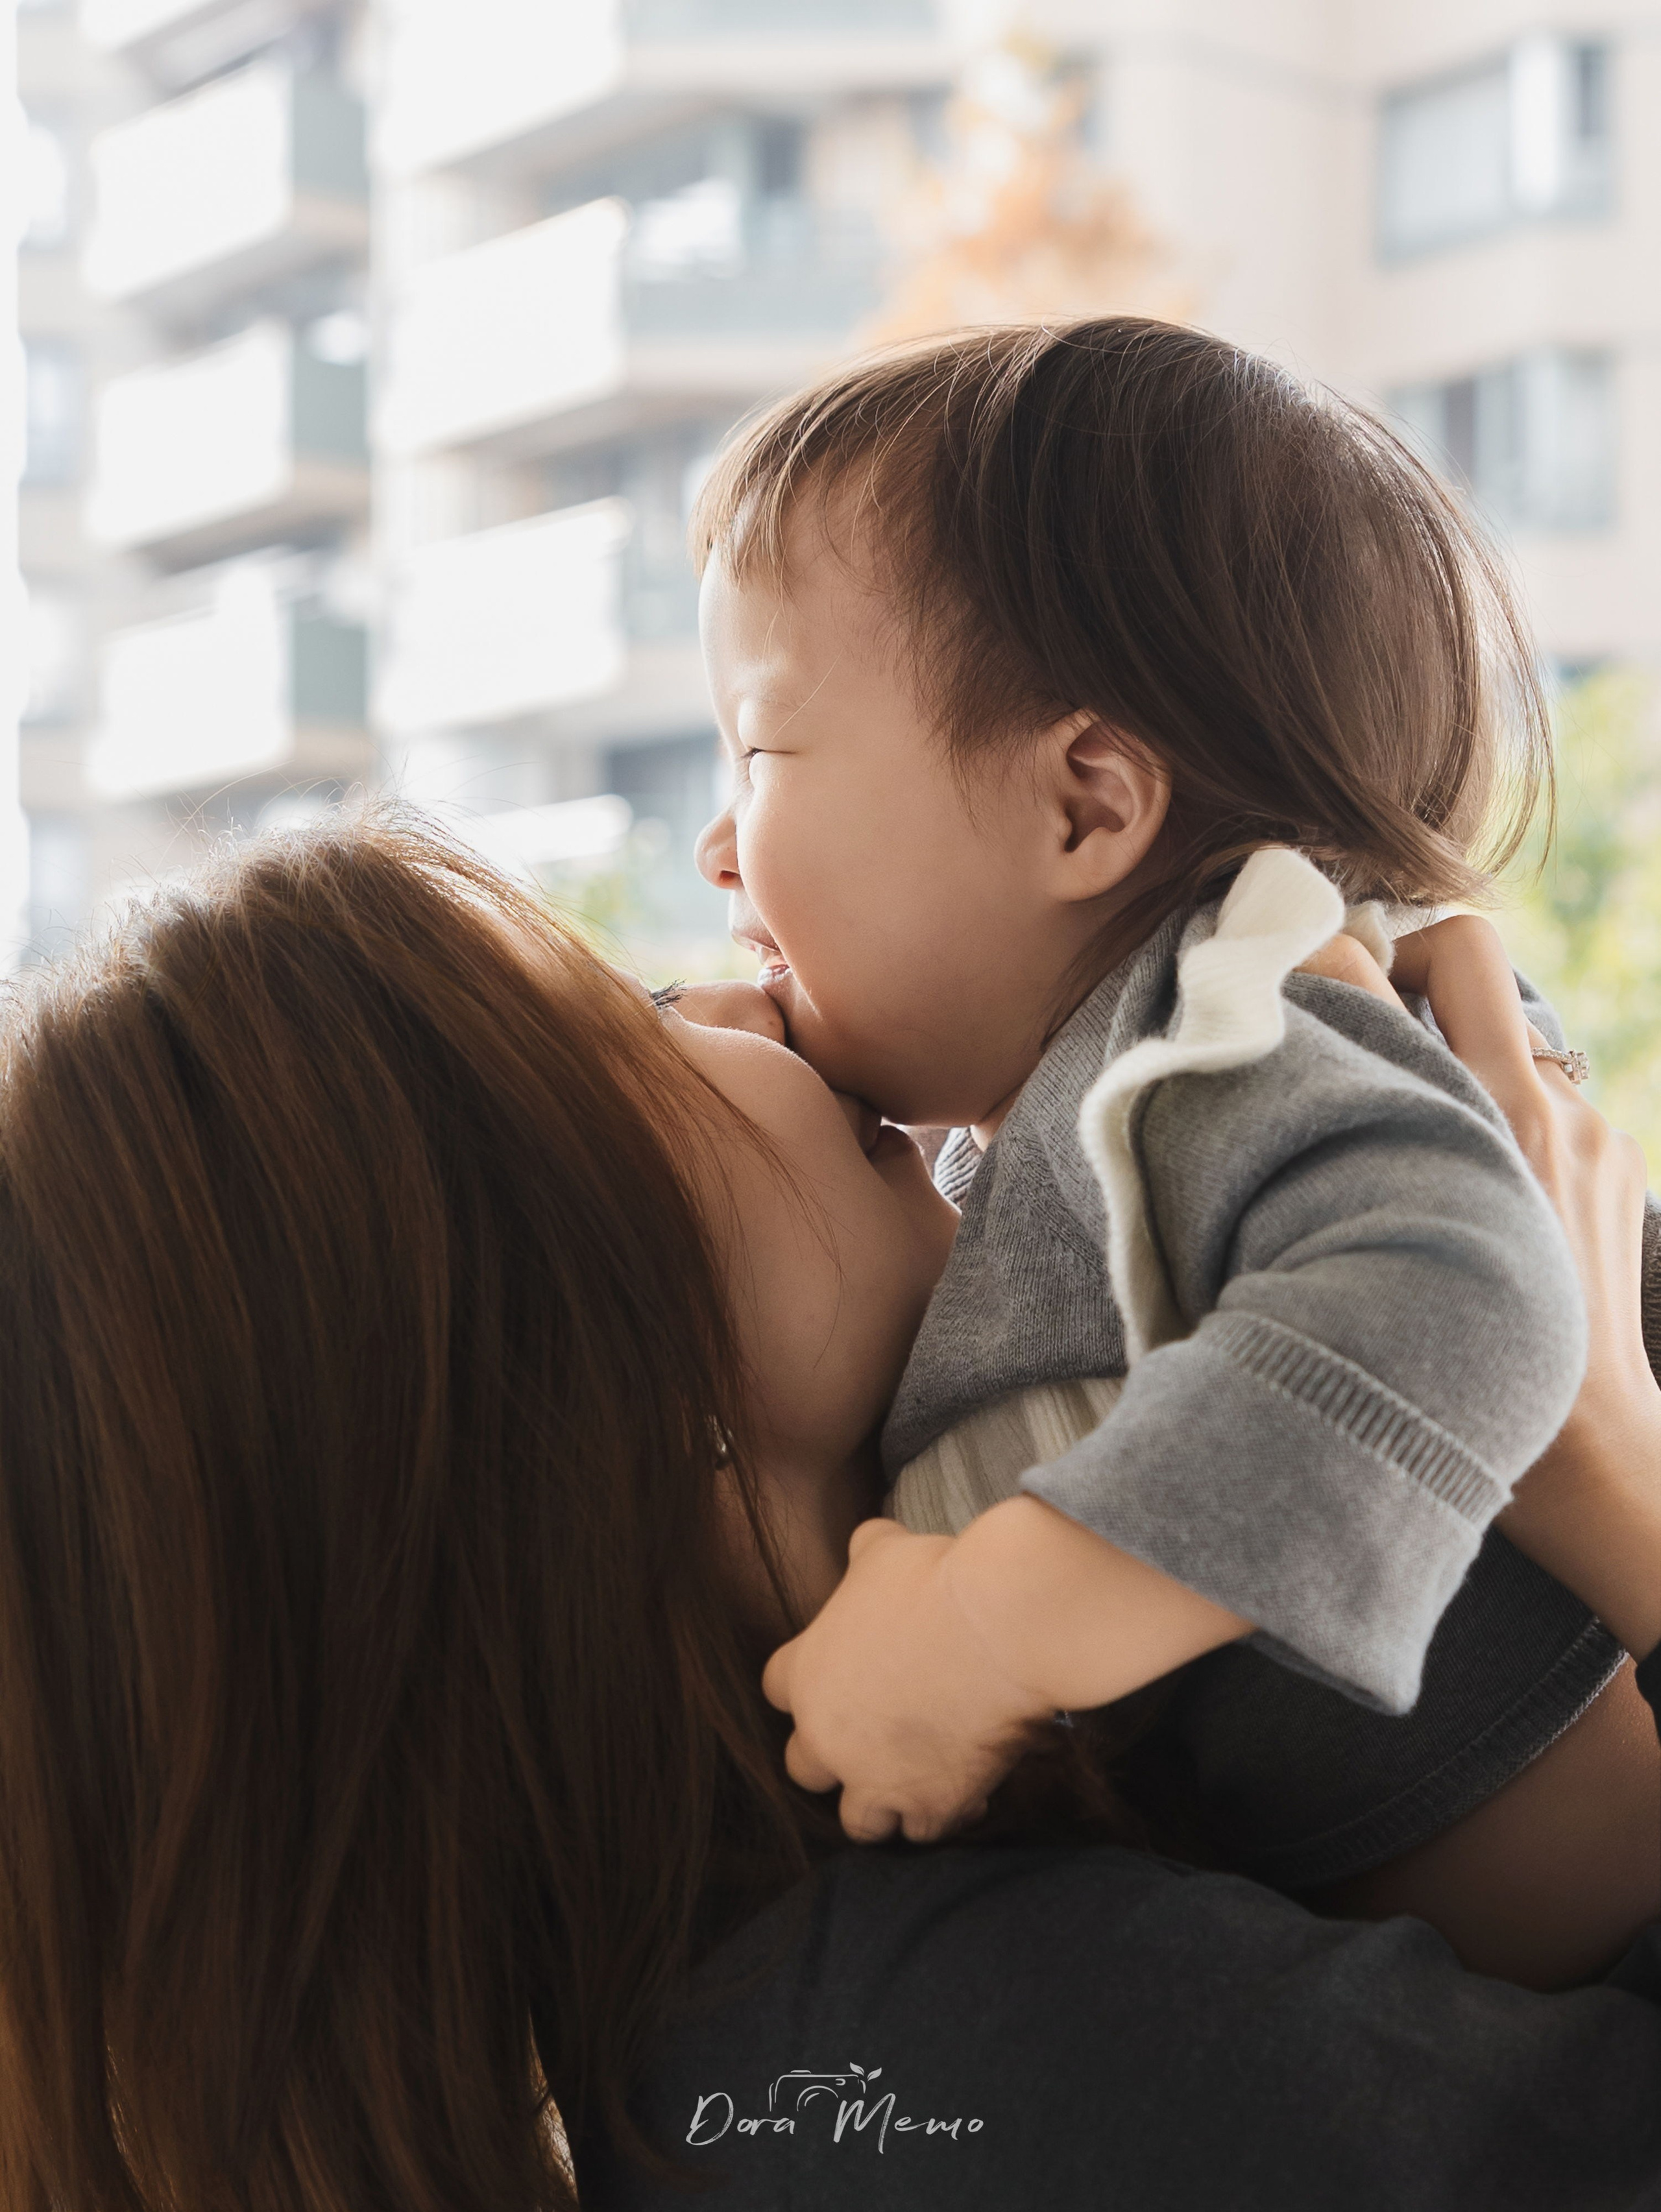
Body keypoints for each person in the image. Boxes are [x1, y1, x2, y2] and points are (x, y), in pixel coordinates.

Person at [0, 811, 1657, 2212]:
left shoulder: (890, 1903)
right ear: (563, 1355)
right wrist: (1600, 1465)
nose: (744, 993)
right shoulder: (907, 2063)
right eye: (625, 1017)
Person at [686, 318, 1657, 1976]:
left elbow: (1455, 1305)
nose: (715, 849)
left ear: (1083, 806)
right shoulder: (1076, 1118)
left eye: (762, 751)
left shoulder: (1214, 1024)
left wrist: (988, 1628)